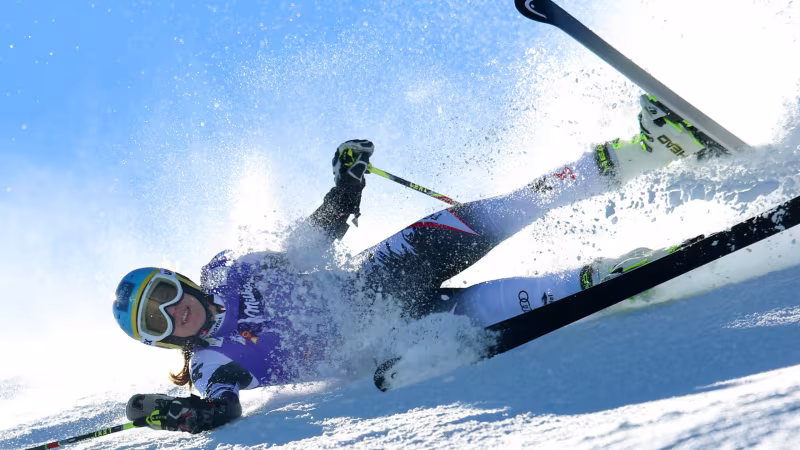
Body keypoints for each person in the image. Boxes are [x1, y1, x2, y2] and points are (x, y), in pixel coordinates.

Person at [115, 95, 714, 433]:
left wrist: (345, 188)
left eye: (167, 294)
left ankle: (651, 147)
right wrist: (177, 415)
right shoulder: (215, 364)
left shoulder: (228, 271)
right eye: (160, 322)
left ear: (182, 279)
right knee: (531, 295)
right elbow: (221, 408)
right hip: (394, 340)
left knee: (513, 205)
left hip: (382, 275)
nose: (176, 312)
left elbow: (309, 244)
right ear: (162, 344)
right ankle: (624, 277)